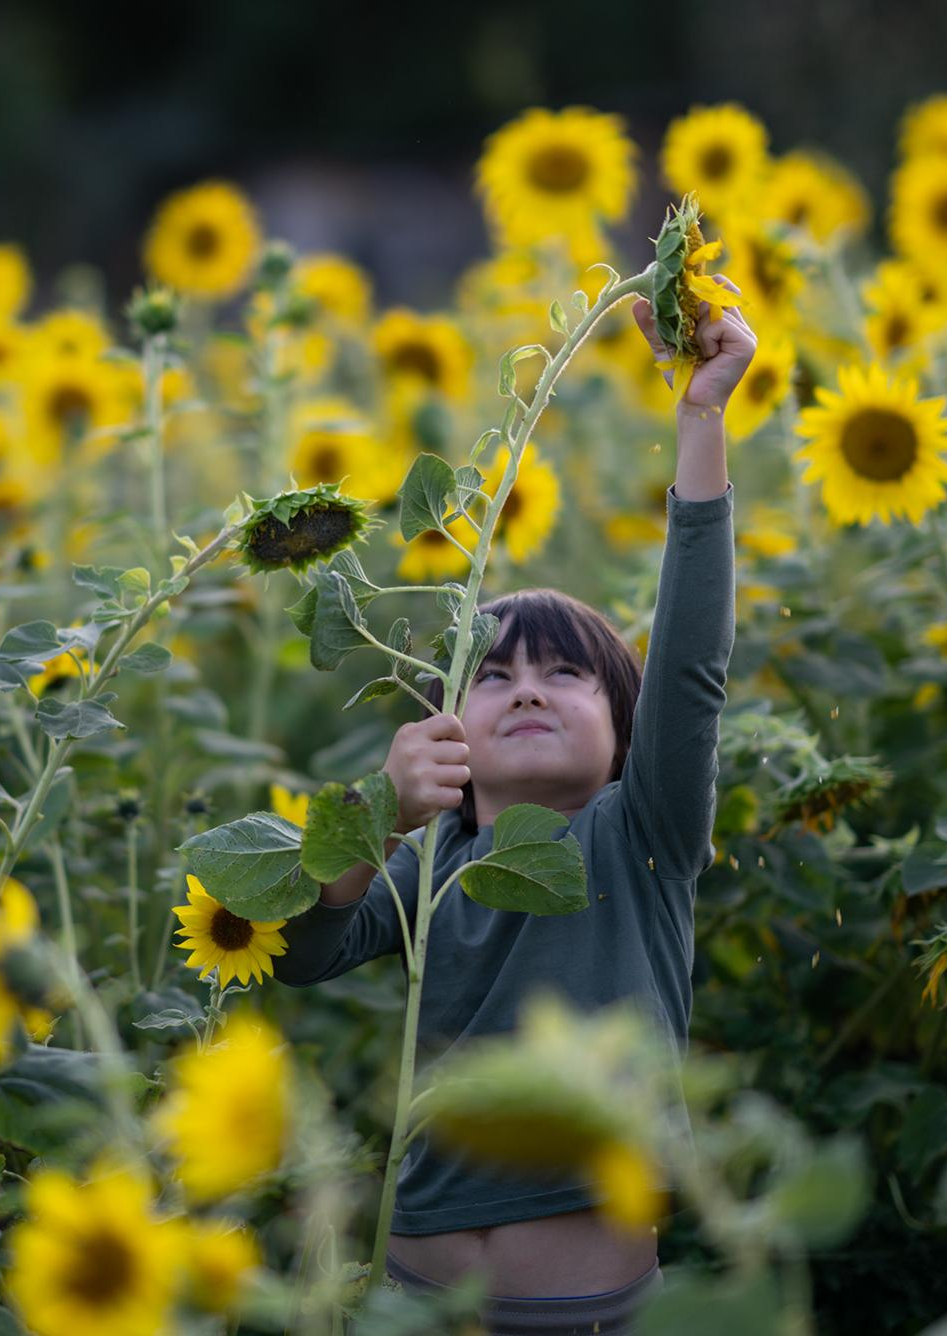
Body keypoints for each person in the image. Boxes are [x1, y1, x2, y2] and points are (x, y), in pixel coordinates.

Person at [272, 280, 754, 1336]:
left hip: (588, 1313)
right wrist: (378, 817)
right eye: (491, 676)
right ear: (446, 725)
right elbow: (299, 952)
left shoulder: (639, 839)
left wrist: (700, 418)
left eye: (564, 674)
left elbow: (690, 668)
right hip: (415, 1301)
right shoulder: (431, 863)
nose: (526, 688)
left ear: (626, 733)